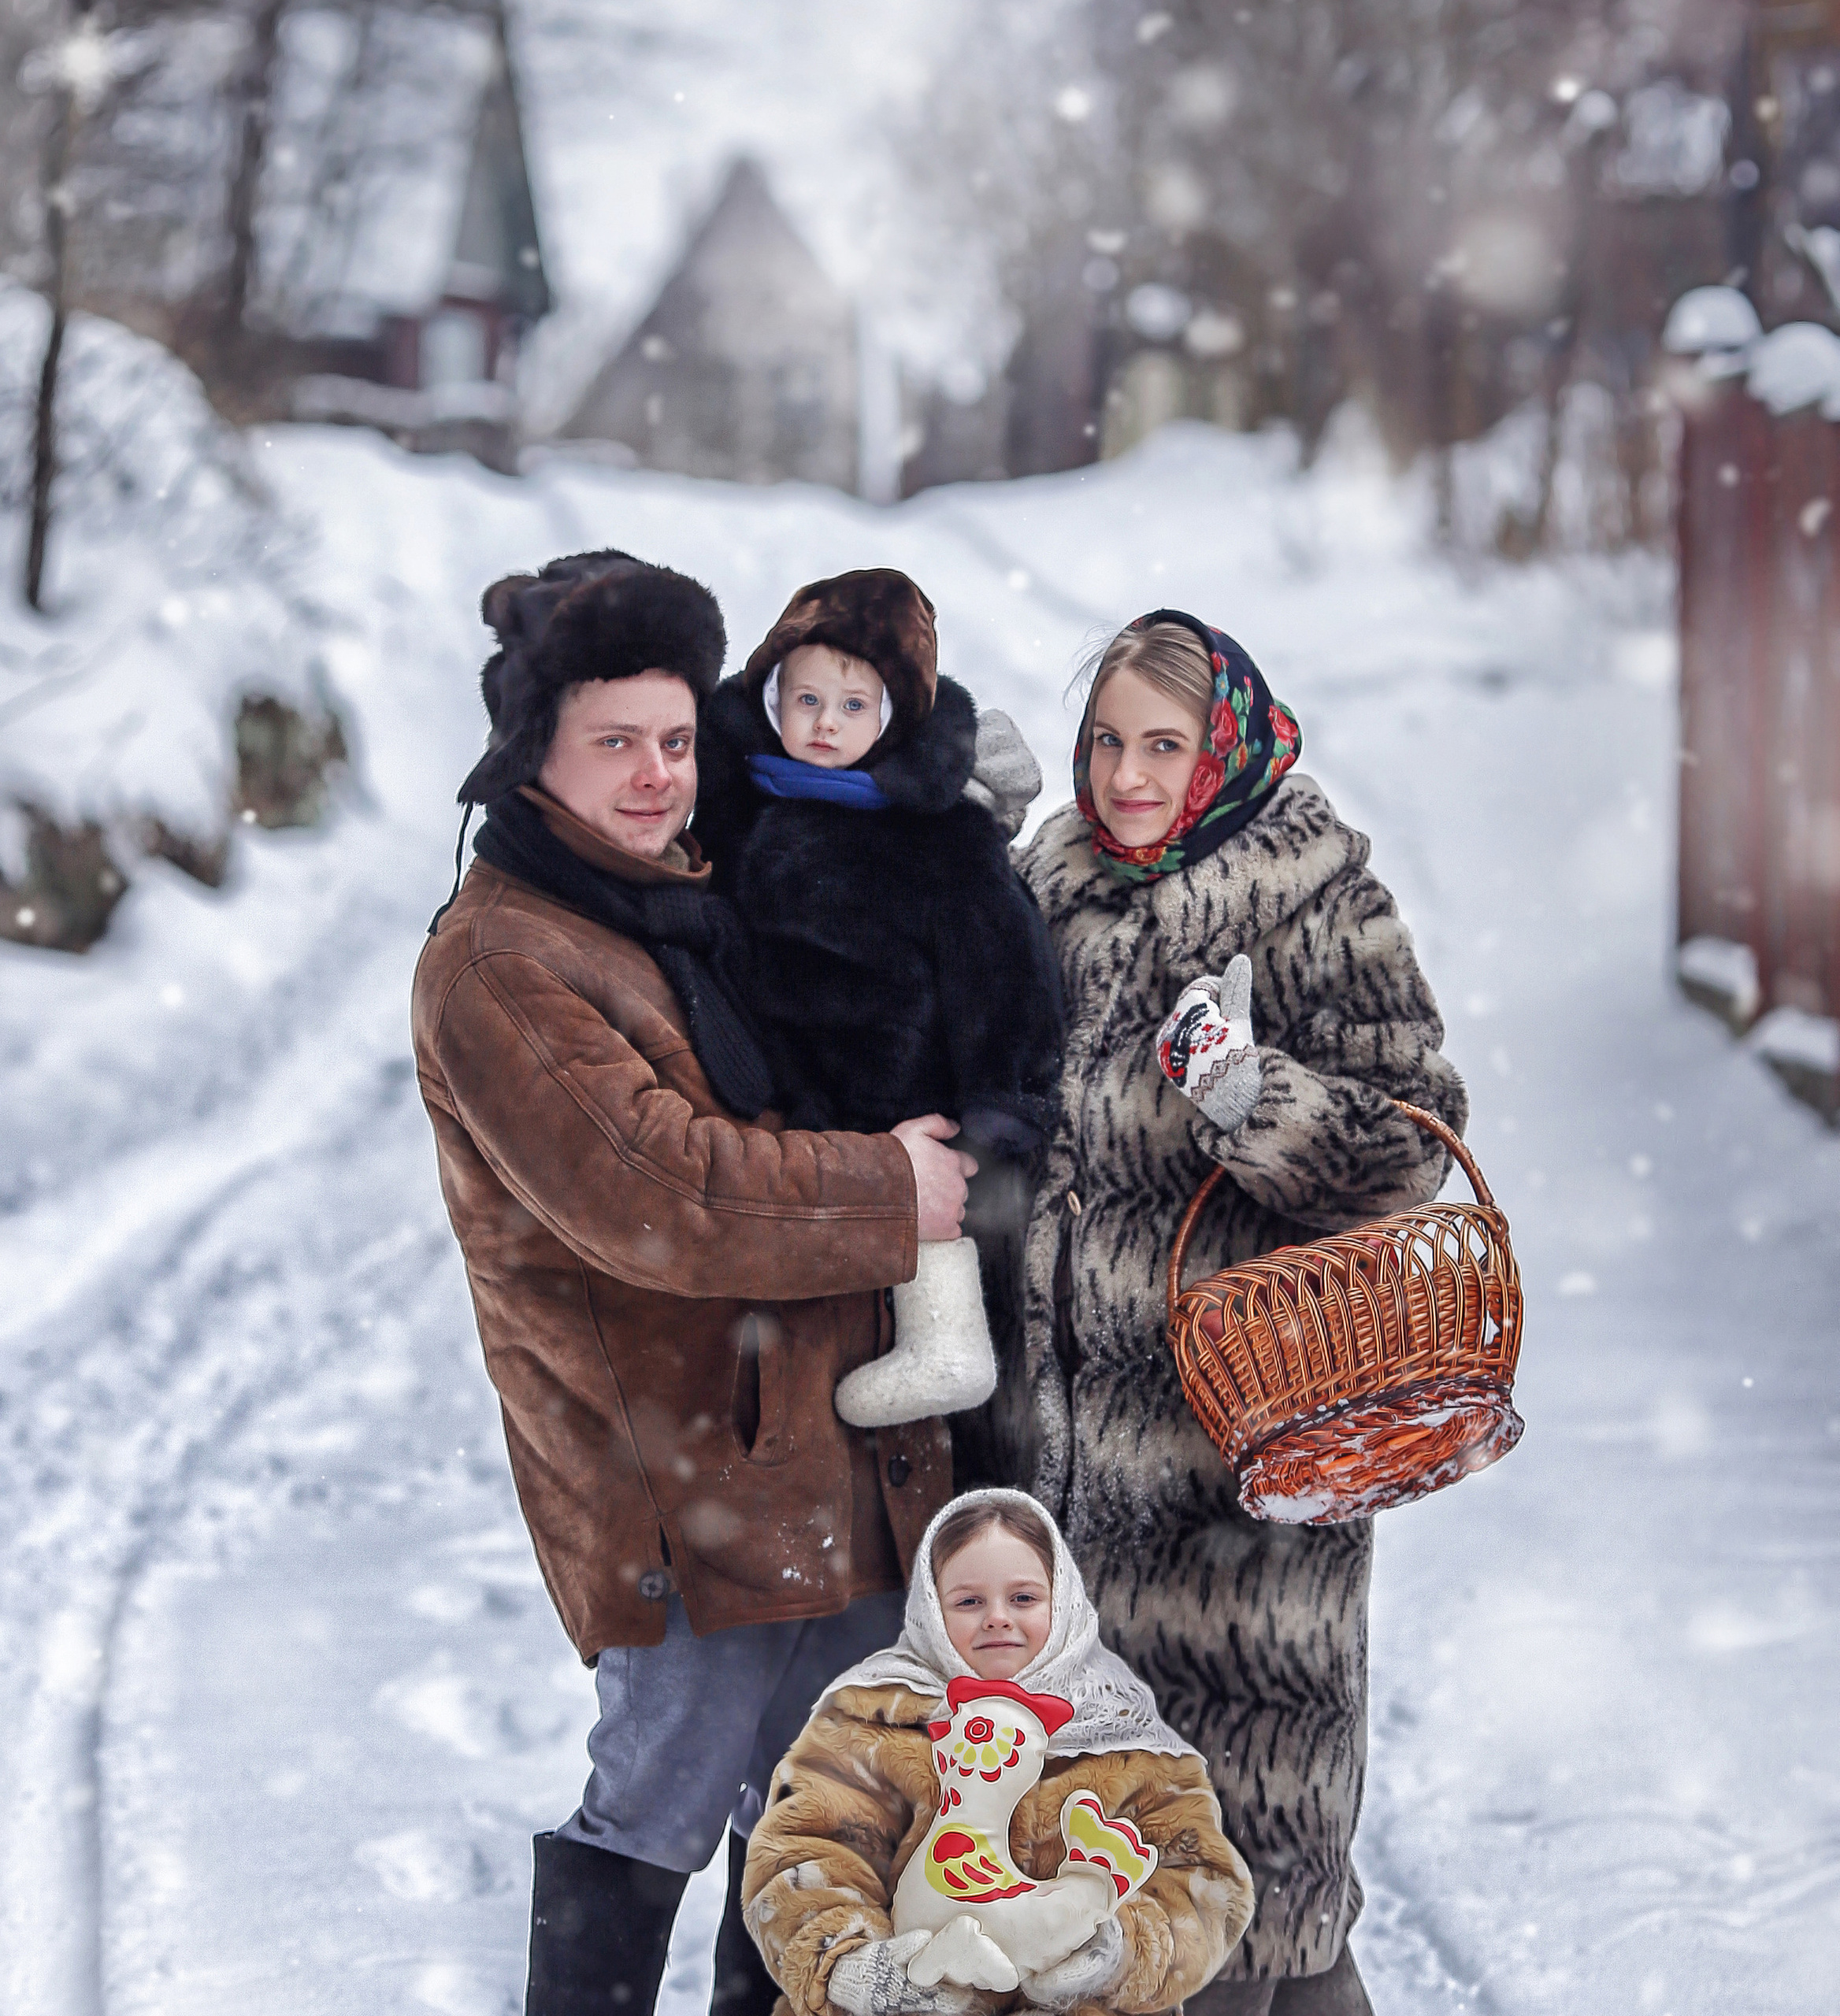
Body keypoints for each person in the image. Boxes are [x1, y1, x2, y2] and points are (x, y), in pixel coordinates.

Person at [412, 550, 981, 2016]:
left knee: (819, 1817)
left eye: (676, 739)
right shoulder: (501, 959)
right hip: (671, 1473)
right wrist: (888, 1187)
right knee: (655, 1806)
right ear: (532, 750)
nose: (660, 775)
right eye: (617, 743)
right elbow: (663, 1194)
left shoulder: (679, 893)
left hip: (818, 1442)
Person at [1018, 612, 1469, 2014]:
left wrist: (1249, 1096)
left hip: (1244, 1467)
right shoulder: (1055, 889)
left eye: (1165, 744)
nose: (1129, 777)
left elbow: (1417, 1140)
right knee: (1116, 1877)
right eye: (1107, 742)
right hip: (1068, 1471)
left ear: (1228, 748)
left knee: (1259, 1880)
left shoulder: (1316, 894)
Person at [694, 569, 1063, 1448]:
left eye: (854, 706)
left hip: (901, 1086)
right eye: (807, 698)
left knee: (929, 1212)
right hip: (786, 1087)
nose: (825, 724)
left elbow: (1002, 963)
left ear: (895, 718)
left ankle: (947, 1345)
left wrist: (1000, 1097)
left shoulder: (936, 832)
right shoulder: (739, 793)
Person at [740, 1489, 1256, 2013]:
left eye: (1024, 1599)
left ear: (1065, 1601)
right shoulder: (870, 1719)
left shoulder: (1126, 1736)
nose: (997, 1618)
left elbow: (1205, 1883)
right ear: (929, 1611)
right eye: (968, 1601)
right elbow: (802, 1853)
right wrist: (852, 1967)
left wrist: (1120, 1950)